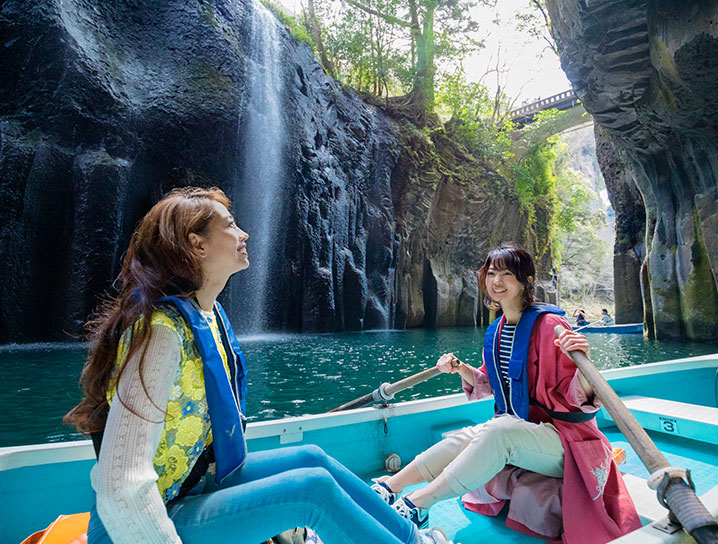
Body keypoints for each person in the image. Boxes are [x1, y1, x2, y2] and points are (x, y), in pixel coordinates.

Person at [64, 186, 449, 544]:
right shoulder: (160, 335)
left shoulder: (206, 314)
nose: (244, 233)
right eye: (230, 225)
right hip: (143, 524)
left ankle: (413, 539)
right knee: (311, 490)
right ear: (197, 244)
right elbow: (120, 483)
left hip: (192, 486)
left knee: (312, 458)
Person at [371, 242, 640, 543]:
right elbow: (492, 382)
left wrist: (583, 360)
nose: (496, 281)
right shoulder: (498, 330)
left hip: (566, 442)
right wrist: (460, 368)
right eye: (491, 274)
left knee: (498, 429)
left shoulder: (552, 326)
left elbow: (577, 398)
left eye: (507, 274)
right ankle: (390, 487)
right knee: (468, 436)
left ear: (526, 281)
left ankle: (418, 503)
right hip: (524, 433)